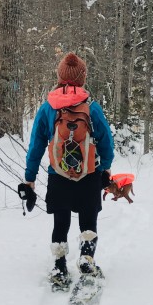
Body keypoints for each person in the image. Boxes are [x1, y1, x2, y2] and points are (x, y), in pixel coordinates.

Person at [22, 52, 115, 287]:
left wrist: (30, 178)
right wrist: (105, 169)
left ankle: (60, 266)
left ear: (60, 76)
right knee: (88, 221)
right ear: (82, 78)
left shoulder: (47, 108)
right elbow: (106, 142)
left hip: (58, 176)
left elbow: (36, 145)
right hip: (89, 176)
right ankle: (86, 258)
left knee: (60, 222)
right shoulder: (91, 108)